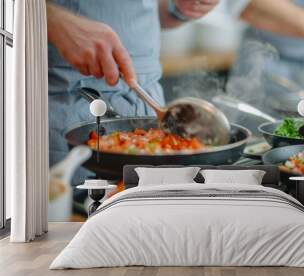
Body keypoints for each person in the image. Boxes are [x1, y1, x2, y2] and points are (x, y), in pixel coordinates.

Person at [46, 0, 218, 182]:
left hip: (147, 104)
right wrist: (56, 21)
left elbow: (135, 13)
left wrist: (177, 8)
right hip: (66, 106)